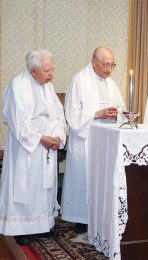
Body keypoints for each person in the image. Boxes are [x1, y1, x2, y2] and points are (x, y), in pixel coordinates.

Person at [0, 49, 67, 245]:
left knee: (44, 187)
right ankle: (21, 228)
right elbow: (18, 120)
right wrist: (41, 138)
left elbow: (57, 114)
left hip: (47, 147)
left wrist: (58, 137)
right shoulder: (18, 86)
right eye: (47, 70)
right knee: (26, 186)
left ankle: (43, 226)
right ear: (33, 71)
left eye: (51, 70)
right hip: (27, 147)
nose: (51, 74)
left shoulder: (48, 86)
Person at [61, 47, 126, 233]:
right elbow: (72, 115)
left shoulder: (111, 84)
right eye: (106, 64)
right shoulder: (79, 81)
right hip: (85, 140)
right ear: (94, 62)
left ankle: (101, 215)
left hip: (105, 141)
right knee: (83, 177)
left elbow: (121, 108)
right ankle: (81, 218)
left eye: (112, 65)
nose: (109, 69)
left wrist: (116, 114)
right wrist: (97, 114)